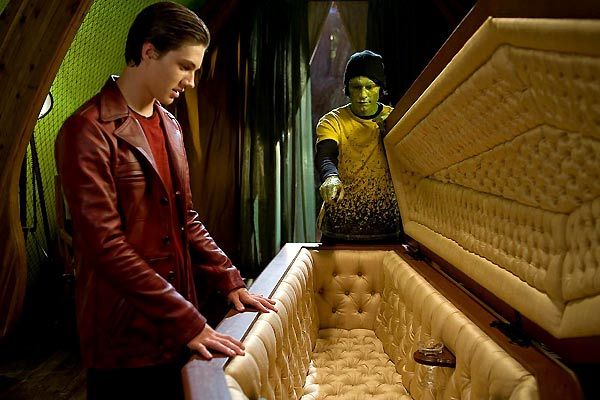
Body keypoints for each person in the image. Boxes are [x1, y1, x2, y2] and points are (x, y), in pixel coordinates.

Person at [55, 2, 276, 398]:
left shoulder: (169, 123)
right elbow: (105, 247)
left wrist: (229, 279)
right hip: (123, 338)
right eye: (184, 67)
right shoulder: (86, 131)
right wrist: (187, 320)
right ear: (148, 51)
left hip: (177, 328)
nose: (191, 81)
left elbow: (185, 217)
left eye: (196, 69)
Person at [315, 50, 402, 242]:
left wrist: (389, 131)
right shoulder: (332, 121)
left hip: (386, 227)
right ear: (347, 89)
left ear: (380, 88)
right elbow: (326, 154)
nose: (363, 94)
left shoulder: (395, 118)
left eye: (369, 87)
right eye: (356, 87)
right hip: (338, 226)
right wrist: (330, 177)